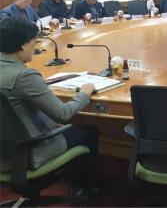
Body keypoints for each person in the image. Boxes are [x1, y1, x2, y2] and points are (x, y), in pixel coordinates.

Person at [0, 17, 99, 196]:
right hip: (27, 153)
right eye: (34, 43)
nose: (35, 47)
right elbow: (63, 113)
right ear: (23, 45)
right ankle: (86, 187)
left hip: (3, 151)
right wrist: (85, 92)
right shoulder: (24, 76)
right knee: (89, 132)